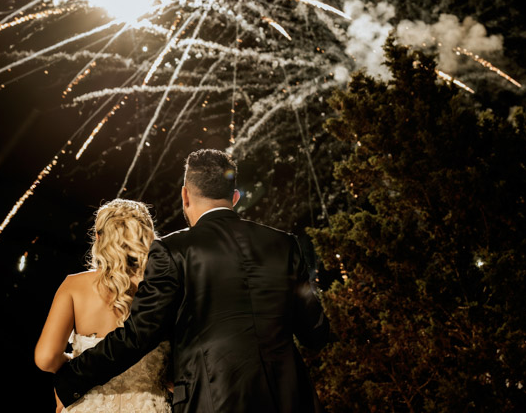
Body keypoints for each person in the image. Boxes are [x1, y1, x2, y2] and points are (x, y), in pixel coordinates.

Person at [53, 149, 330, 412]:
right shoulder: (284, 244)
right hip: (290, 399)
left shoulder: (172, 250)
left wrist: (71, 379)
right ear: (235, 197)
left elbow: (138, 335)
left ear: (185, 195)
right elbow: (315, 333)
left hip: (212, 400)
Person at [35, 198, 172, 412]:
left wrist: (74, 364)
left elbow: (46, 358)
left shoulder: (74, 286)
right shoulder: (163, 287)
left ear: (99, 238)